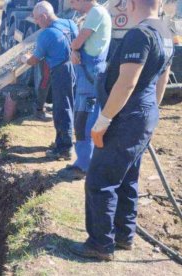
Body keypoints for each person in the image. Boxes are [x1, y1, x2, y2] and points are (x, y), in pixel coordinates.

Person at [70, 0, 173, 261]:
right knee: (127, 177)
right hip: (142, 115)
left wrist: (103, 121)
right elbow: (162, 78)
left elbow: (127, 83)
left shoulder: (139, 35)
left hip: (126, 117)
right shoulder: (166, 30)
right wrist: (150, 117)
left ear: (133, 3)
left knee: (100, 179)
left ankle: (100, 244)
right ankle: (123, 235)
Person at [60, 0, 111, 179]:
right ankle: (84, 162)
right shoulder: (96, 14)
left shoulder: (96, 13)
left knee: (84, 118)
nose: (73, 6)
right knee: (84, 117)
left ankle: (84, 166)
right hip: (89, 72)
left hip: (90, 75)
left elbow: (78, 41)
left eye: (74, 1)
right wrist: (75, 50)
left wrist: (74, 48)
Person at [21, 0, 78, 160]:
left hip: (61, 72)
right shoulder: (70, 23)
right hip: (75, 67)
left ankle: (64, 149)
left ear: (44, 16)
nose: (37, 23)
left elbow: (35, 60)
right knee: (70, 106)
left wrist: (24, 59)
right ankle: (63, 141)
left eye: (37, 19)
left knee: (62, 109)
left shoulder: (46, 34)